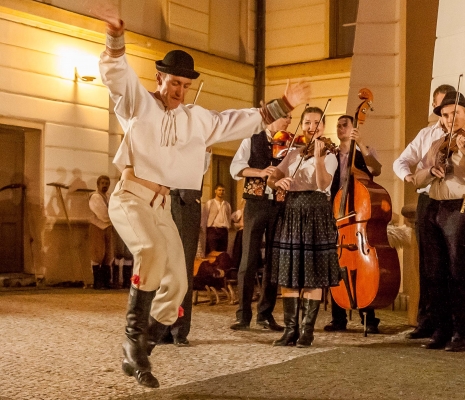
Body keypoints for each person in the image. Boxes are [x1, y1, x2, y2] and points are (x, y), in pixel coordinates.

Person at [94, 2, 310, 388]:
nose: (178, 90)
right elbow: (115, 74)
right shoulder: (136, 104)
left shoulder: (196, 119)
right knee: (152, 253)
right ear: (160, 78)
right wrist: (114, 35)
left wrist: (283, 104)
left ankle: (142, 348)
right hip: (130, 196)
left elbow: (235, 121)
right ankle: (132, 341)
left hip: (162, 205)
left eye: (184, 85)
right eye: (173, 82)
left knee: (178, 283)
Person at [408, 91, 465, 352]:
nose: (451, 118)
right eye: (445, 115)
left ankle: (463, 332)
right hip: (434, 206)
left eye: (456, 112)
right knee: (434, 272)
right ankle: (441, 330)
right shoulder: (438, 142)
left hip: (460, 206)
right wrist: (429, 170)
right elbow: (415, 172)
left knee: (458, 271)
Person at [267, 107, 340, 348]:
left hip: (316, 210)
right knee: (289, 273)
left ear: (323, 126)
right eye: (307, 122)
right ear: (302, 125)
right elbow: (272, 177)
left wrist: (318, 159)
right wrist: (279, 181)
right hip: (292, 210)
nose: (312, 127)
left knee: (312, 274)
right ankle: (290, 330)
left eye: (317, 123)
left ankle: (307, 331)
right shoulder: (293, 153)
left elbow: (322, 183)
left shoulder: (330, 154)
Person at [392, 84, 455, 339]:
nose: (442, 113)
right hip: (427, 200)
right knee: (427, 265)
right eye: (439, 107)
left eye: (447, 108)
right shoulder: (426, 134)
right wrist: (409, 176)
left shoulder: (463, 132)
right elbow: (401, 161)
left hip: (450, 203)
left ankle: (447, 323)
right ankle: (426, 320)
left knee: (448, 265)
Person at [229, 115, 292, 331]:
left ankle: (265, 314)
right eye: (286, 116)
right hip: (255, 203)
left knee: (274, 261)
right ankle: (243, 315)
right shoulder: (251, 139)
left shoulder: (288, 142)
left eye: (291, 117)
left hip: (278, 204)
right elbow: (236, 168)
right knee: (248, 259)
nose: (289, 121)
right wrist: (260, 172)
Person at [324, 114, 382, 334]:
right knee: (335, 264)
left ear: (354, 128)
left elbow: (376, 170)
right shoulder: (332, 155)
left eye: (344, 125)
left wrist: (363, 146)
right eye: (338, 126)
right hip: (336, 215)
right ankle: (338, 318)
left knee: (361, 263)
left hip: (358, 217)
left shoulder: (364, 152)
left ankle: (369, 317)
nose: (340, 128)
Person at [160, 149, 211, 347]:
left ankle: (179, 329)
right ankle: (162, 326)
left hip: (187, 204)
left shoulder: (197, 136)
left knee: (183, 269)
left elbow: (202, 166)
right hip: (163, 200)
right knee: (165, 269)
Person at [88, 175, 114, 290]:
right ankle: (97, 282)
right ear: (98, 184)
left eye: (107, 183)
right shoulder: (95, 197)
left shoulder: (108, 197)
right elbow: (102, 214)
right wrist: (114, 218)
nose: (105, 185)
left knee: (108, 254)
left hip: (108, 227)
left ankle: (106, 282)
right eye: (102, 183)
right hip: (98, 226)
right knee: (98, 253)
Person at [201, 184, 232, 255]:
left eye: (223, 190)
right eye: (219, 190)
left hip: (223, 230)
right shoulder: (210, 203)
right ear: (215, 191)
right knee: (212, 252)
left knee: (222, 253)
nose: (221, 192)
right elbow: (204, 216)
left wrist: (228, 227)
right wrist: (204, 229)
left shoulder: (227, 204)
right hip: (213, 230)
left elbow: (228, 217)